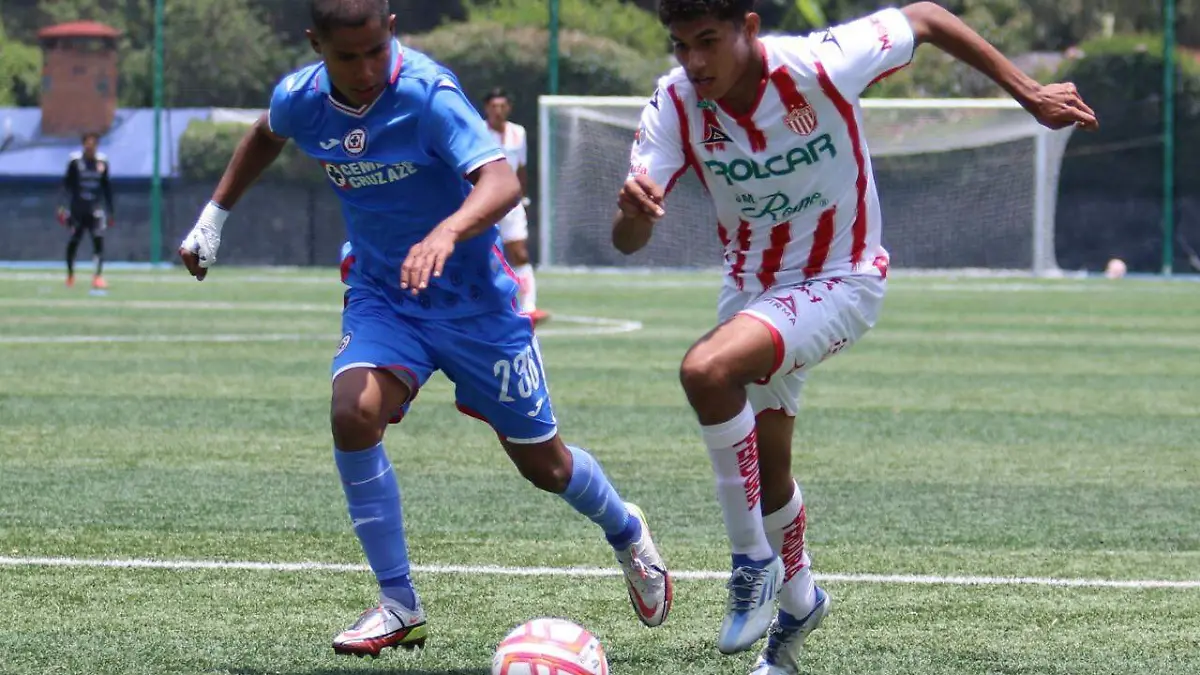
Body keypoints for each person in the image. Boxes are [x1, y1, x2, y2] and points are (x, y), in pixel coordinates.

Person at [613, 1, 1097, 673]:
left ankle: (752, 560)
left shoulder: (821, 64)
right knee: (771, 467)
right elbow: (629, 239)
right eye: (680, 45)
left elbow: (925, 16)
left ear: (748, 29)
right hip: (754, 292)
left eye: (708, 41)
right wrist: (633, 214)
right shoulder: (676, 102)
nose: (694, 62)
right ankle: (799, 604)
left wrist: (1029, 92)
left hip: (843, 278)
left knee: (706, 370)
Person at [178, 0, 672, 658]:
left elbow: (500, 181)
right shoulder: (300, 97)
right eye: (345, 57)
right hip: (385, 294)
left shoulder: (428, 94)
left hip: (476, 306)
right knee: (353, 413)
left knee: (544, 465)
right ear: (315, 45)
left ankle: (625, 528)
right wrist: (214, 216)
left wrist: (447, 230)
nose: (363, 70)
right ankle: (399, 603)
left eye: (374, 52)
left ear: (392, 31)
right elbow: (267, 133)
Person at [482, 87, 549, 325]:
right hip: (483, 202)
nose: (497, 111)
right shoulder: (478, 132)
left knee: (519, 252)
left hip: (512, 203)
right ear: (486, 109)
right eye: (493, 106)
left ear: (508, 108)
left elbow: (521, 169)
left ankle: (529, 307)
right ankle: (487, 306)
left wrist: (523, 198)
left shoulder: (518, 133)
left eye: (502, 106)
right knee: (484, 253)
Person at [59, 132, 113, 290]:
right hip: (77, 210)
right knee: (73, 242)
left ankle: (97, 276)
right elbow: (66, 185)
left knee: (98, 240)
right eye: (88, 143)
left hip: (95, 209)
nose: (91, 147)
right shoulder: (75, 161)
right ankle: (70, 275)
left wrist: (111, 210)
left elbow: (106, 187)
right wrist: (61, 206)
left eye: (94, 144)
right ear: (83, 144)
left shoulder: (102, 162)